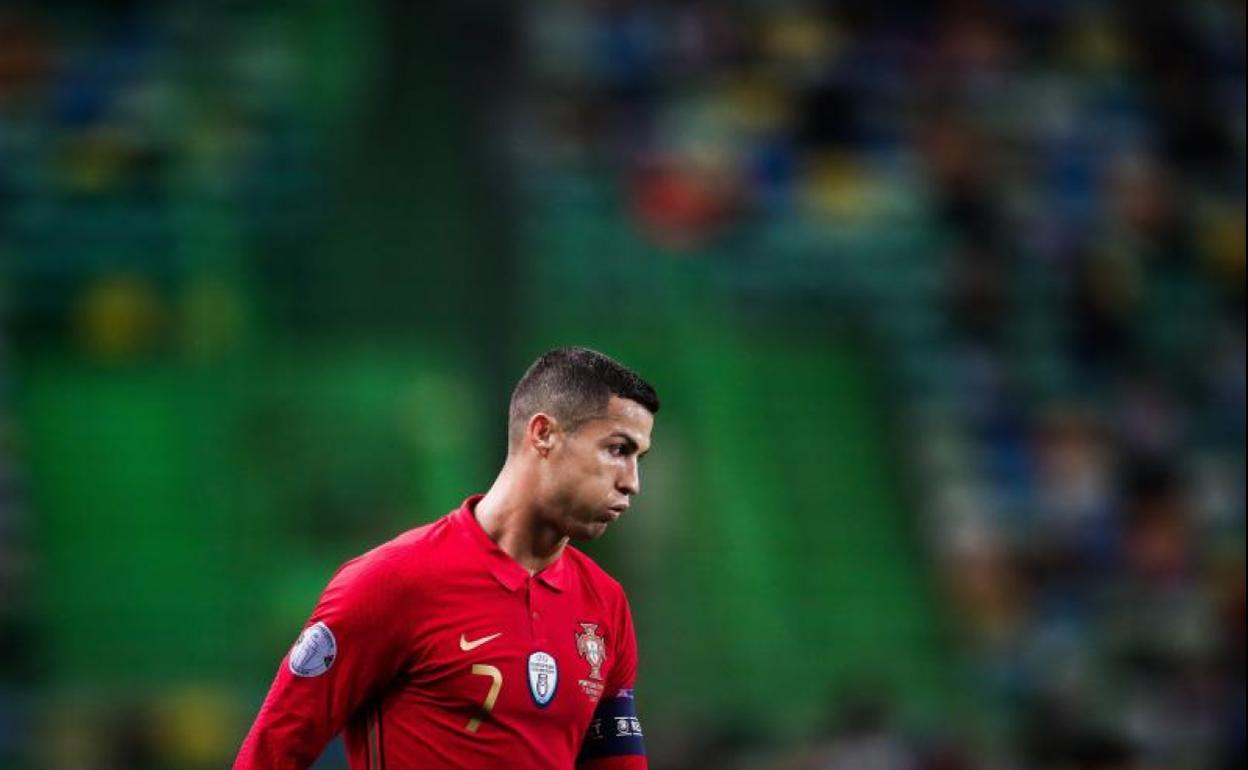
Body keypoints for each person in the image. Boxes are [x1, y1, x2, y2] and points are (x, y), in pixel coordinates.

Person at [234, 347, 658, 770]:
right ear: (543, 433)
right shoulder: (392, 581)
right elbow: (271, 752)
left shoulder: (606, 603)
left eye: (639, 458)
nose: (632, 483)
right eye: (618, 449)